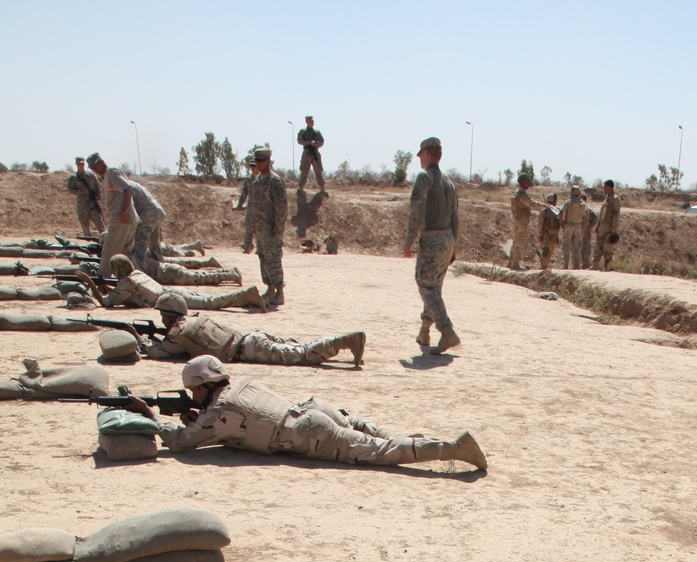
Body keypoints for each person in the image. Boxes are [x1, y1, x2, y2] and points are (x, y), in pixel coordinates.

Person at [133, 354, 488, 470]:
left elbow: (182, 442)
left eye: (193, 390)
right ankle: (426, 441)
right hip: (312, 410)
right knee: (376, 436)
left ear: (202, 385)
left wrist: (151, 416)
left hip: (308, 434)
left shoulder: (218, 410)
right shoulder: (240, 385)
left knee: (380, 451)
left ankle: (454, 449)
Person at [145, 293, 365, 366]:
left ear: (169, 314)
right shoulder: (196, 319)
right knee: (299, 346)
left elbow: (160, 352)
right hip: (252, 337)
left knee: (303, 355)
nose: (162, 320)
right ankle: (344, 341)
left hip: (249, 348)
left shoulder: (179, 332)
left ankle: (345, 340)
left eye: (163, 315)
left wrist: (140, 339)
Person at [404, 136, 460, 354]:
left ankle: (447, 332)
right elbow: (455, 216)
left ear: (427, 153)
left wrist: (409, 240)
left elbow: (416, 212)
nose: (420, 159)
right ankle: (424, 332)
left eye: (421, 154)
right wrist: (453, 245)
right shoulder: (449, 182)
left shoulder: (424, 177)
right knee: (434, 288)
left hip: (432, 238)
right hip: (447, 239)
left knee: (425, 285)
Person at [85, 256, 266, 313]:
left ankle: (245, 295)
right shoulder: (136, 274)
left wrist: (90, 284)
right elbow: (122, 293)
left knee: (210, 303)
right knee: (208, 300)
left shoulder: (126, 283)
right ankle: (245, 298)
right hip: (172, 291)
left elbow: (107, 302)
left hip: (170, 298)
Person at [248, 147, 287, 309]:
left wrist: (279, 228)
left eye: (261, 160)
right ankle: (270, 289)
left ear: (268, 161)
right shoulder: (256, 182)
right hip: (260, 229)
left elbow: (282, 207)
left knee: (274, 260)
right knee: (263, 258)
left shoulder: (275, 182)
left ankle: (279, 292)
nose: (258, 163)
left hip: (271, 230)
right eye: (256, 160)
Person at [87, 153, 138, 276]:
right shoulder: (109, 173)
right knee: (126, 253)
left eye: (94, 167)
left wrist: (124, 210)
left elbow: (127, 189)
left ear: (100, 162)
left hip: (121, 218)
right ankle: (130, 280)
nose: (94, 170)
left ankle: (102, 280)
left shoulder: (111, 172)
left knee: (110, 249)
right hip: (127, 218)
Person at [125, 177, 167, 273]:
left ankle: (142, 276)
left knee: (139, 251)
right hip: (157, 212)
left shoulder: (126, 187)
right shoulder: (133, 184)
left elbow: (129, 212)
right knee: (155, 247)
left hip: (147, 216)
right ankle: (163, 270)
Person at [66, 158, 104, 239]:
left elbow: (98, 187)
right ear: (76, 164)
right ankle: (89, 243)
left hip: (93, 203)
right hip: (82, 205)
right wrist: (81, 192)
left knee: (100, 224)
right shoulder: (74, 177)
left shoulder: (91, 175)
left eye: (83, 163)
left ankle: (105, 241)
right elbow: (70, 189)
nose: (81, 165)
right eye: (79, 163)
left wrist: (98, 198)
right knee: (85, 225)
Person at [508, 175, 536, 270]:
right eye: (526, 182)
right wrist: (545, 206)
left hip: (516, 220)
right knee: (520, 242)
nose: (528, 184)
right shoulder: (522, 194)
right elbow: (531, 204)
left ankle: (510, 262)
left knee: (515, 241)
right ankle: (515, 264)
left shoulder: (515, 193)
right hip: (522, 222)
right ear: (522, 182)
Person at [593, 179, 621, 269]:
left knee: (608, 250)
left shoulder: (615, 200)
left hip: (609, 229)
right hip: (602, 228)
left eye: (605, 186)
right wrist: (598, 226)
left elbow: (616, 216)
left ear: (609, 187)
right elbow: (601, 214)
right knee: (598, 247)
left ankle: (607, 268)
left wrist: (613, 230)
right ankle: (595, 266)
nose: (604, 188)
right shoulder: (606, 199)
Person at [559, 185, 586, 269]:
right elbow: (585, 215)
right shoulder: (582, 203)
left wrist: (561, 222)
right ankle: (577, 266)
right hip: (578, 226)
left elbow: (561, 212)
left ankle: (565, 265)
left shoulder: (568, 202)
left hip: (569, 225)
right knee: (577, 247)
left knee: (566, 245)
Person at [235, 155, 256, 254]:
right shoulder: (248, 179)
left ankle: (260, 249)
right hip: (251, 207)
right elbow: (244, 192)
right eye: (251, 166)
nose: (253, 168)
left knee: (261, 229)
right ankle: (247, 247)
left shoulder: (263, 179)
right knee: (248, 228)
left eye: (254, 166)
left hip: (262, 208)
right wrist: (240, 204)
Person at [297, 117, 325, 192]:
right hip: (306, 152)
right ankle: (301, 187)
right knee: (304, 171)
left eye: (313, 121)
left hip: (315, 152)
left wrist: (316, 144)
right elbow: (299, 141)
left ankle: (322, 188)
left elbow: (322, 141)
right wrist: (309, 142)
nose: (312, 122)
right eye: (310, 121)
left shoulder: (317, 132)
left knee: (318, 170)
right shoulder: (303, 131)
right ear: (306, 121)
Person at [537, 193, 560, 271]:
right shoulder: (544, 212)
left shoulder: (556, 212)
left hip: (553, 236)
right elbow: (540, 224)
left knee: (550, 253)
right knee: (546, 252)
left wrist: (557, 236)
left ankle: (545, 268)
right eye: (554, 201)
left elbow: (557, 225)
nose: (555, 203)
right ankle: (543, 268)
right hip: (546, 235)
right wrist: (540, 235)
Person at [580, 199, 598, 270]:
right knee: (580, 249)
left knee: (586, 249)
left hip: (583, 232)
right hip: (581, 232)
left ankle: (585, 265)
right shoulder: (587, 210)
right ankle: (581, 265)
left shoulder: (589, 210)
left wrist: (589, 228)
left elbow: (595, 219)